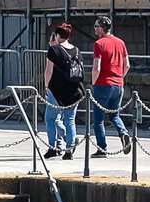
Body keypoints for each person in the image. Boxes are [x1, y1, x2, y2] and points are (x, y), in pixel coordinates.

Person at [88, 15, 133, 157]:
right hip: (118, 84)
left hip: (103, 84)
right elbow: (127, 65)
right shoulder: (120, 42)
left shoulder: (99, 44)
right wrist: (120, 77)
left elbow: (97, 67)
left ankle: (102, 148)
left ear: (101, 28)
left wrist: (94, 82)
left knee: (98, 119)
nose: (94, 29)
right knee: (114, 115)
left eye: (96, 26)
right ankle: (123, 133)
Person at [42, 22, 87, 159]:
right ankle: (69, 150)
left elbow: (48, 71)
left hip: (57, 90)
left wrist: (46, 86)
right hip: (75, 90)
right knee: (70, 120)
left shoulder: (53, 50)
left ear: (57, 35)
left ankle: (53, 147)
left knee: (50, 118)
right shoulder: (77, 50)